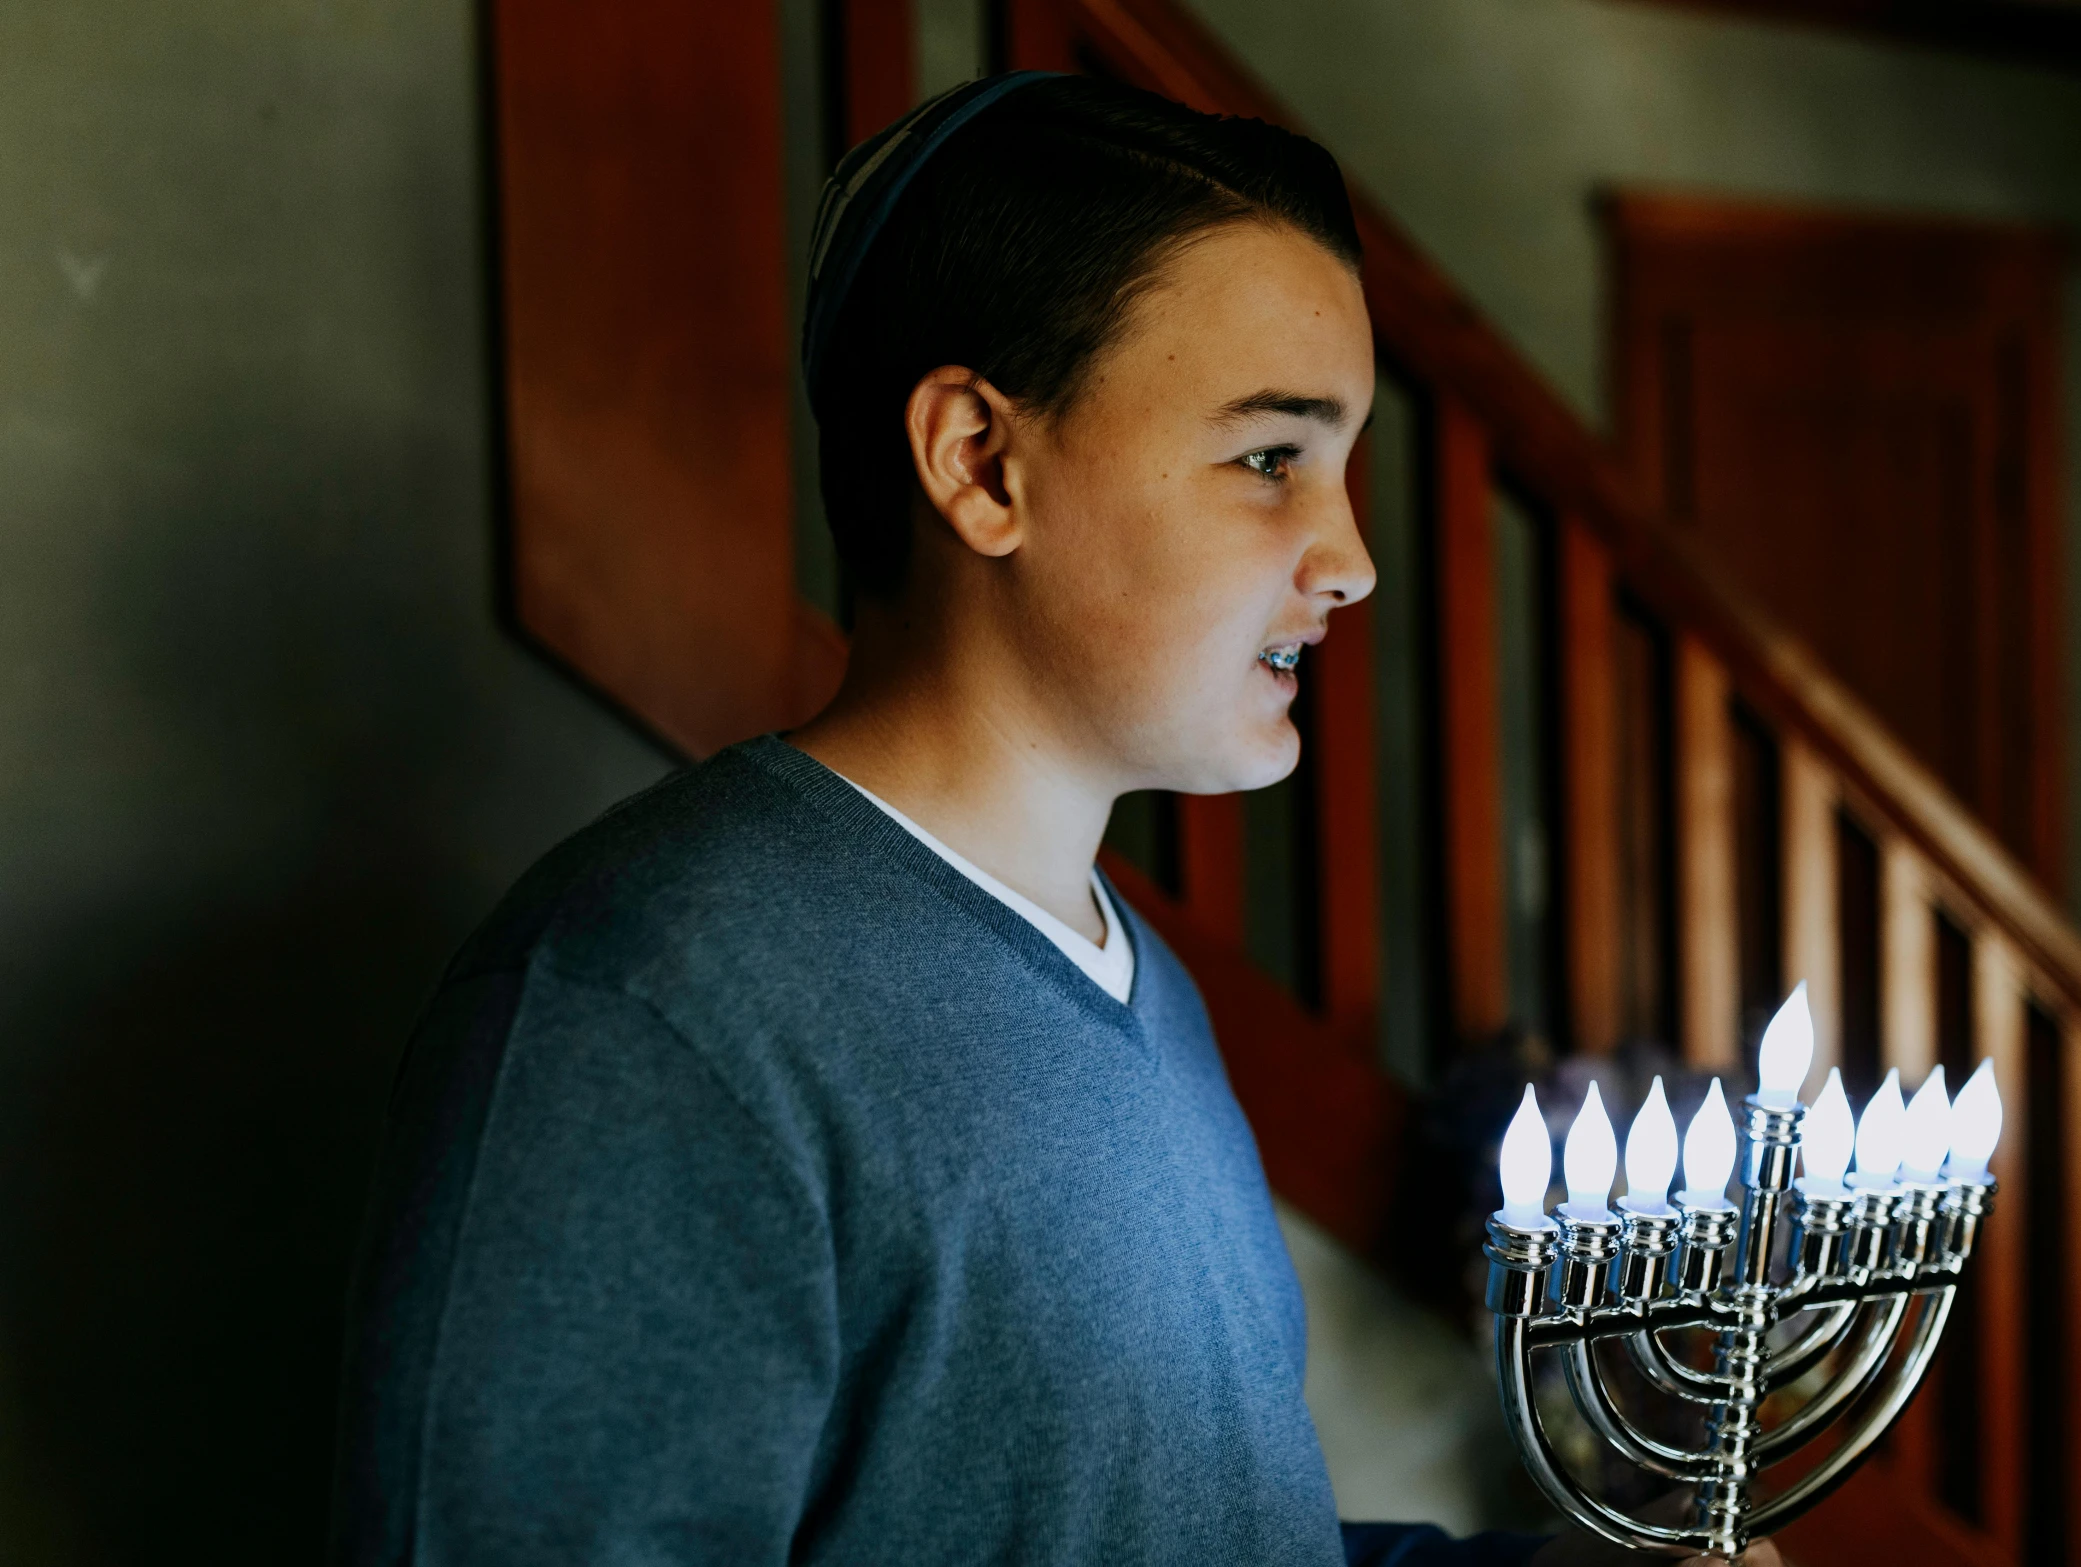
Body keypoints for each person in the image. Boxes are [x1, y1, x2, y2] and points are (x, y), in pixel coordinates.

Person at [331, 72, 1776, 1566]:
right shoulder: (652, 1002)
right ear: (978, 460)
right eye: (1269, 456)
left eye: (1340, 471)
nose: (1346, 560)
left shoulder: (1147, 994)